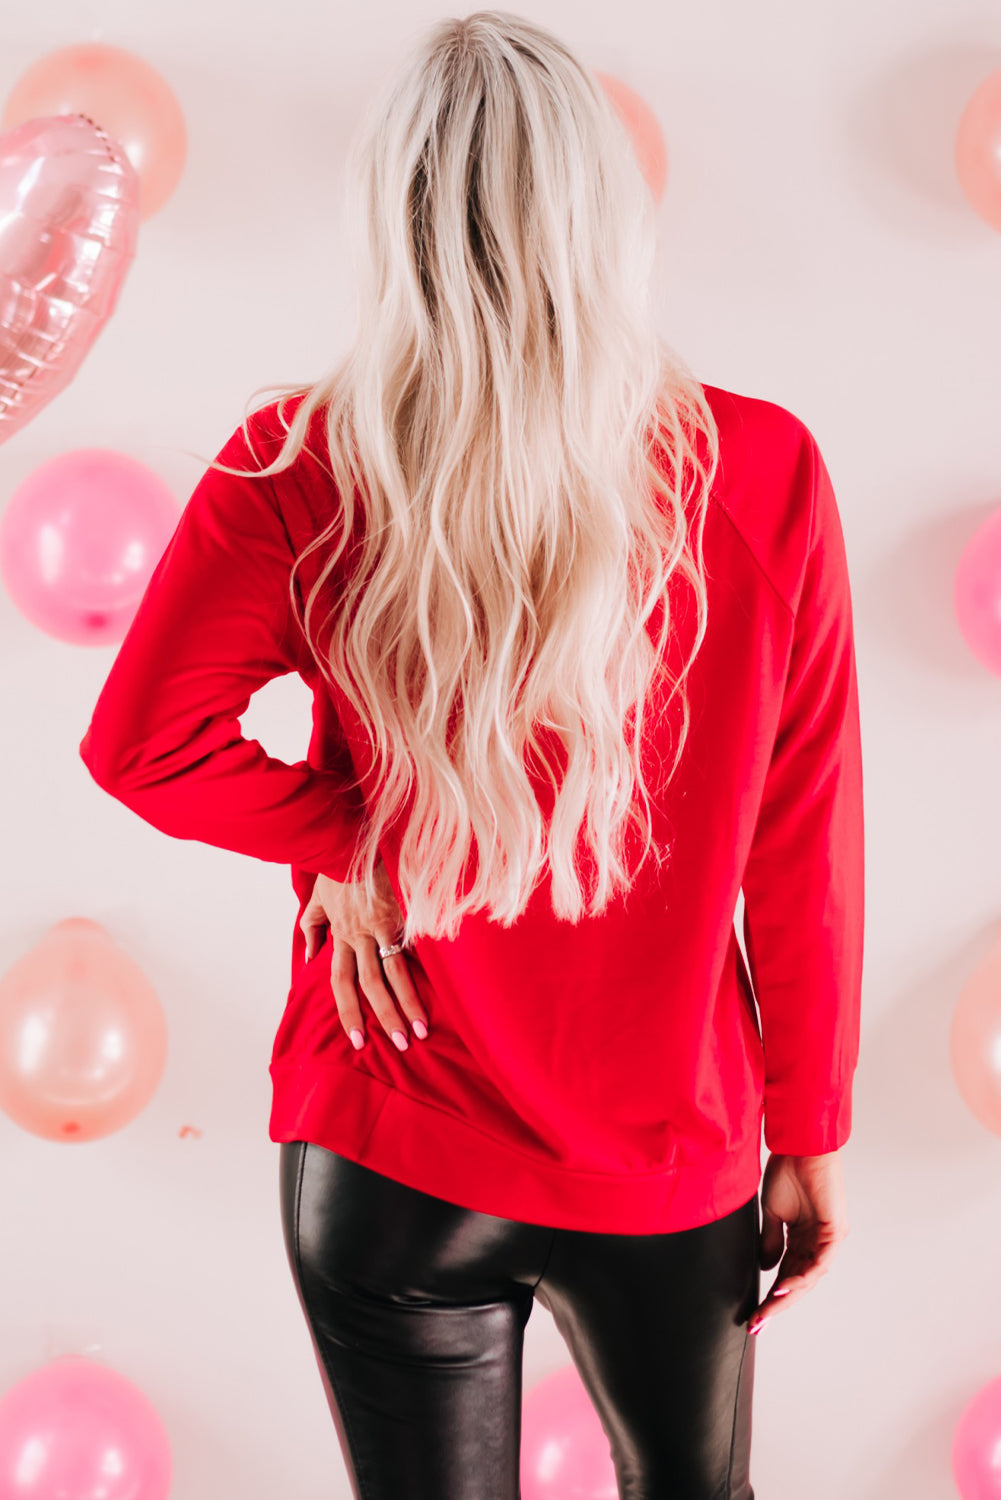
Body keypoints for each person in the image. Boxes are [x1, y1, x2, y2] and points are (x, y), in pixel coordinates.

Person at [78, 10, 864, 1499]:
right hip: (667, 1149)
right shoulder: (758, 468)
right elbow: (801, 831)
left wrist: (358, 847)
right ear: (603, 215)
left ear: (396, 218)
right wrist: (809, 1121)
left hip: (388, 1138)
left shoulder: (302, 461)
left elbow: (144, 746)